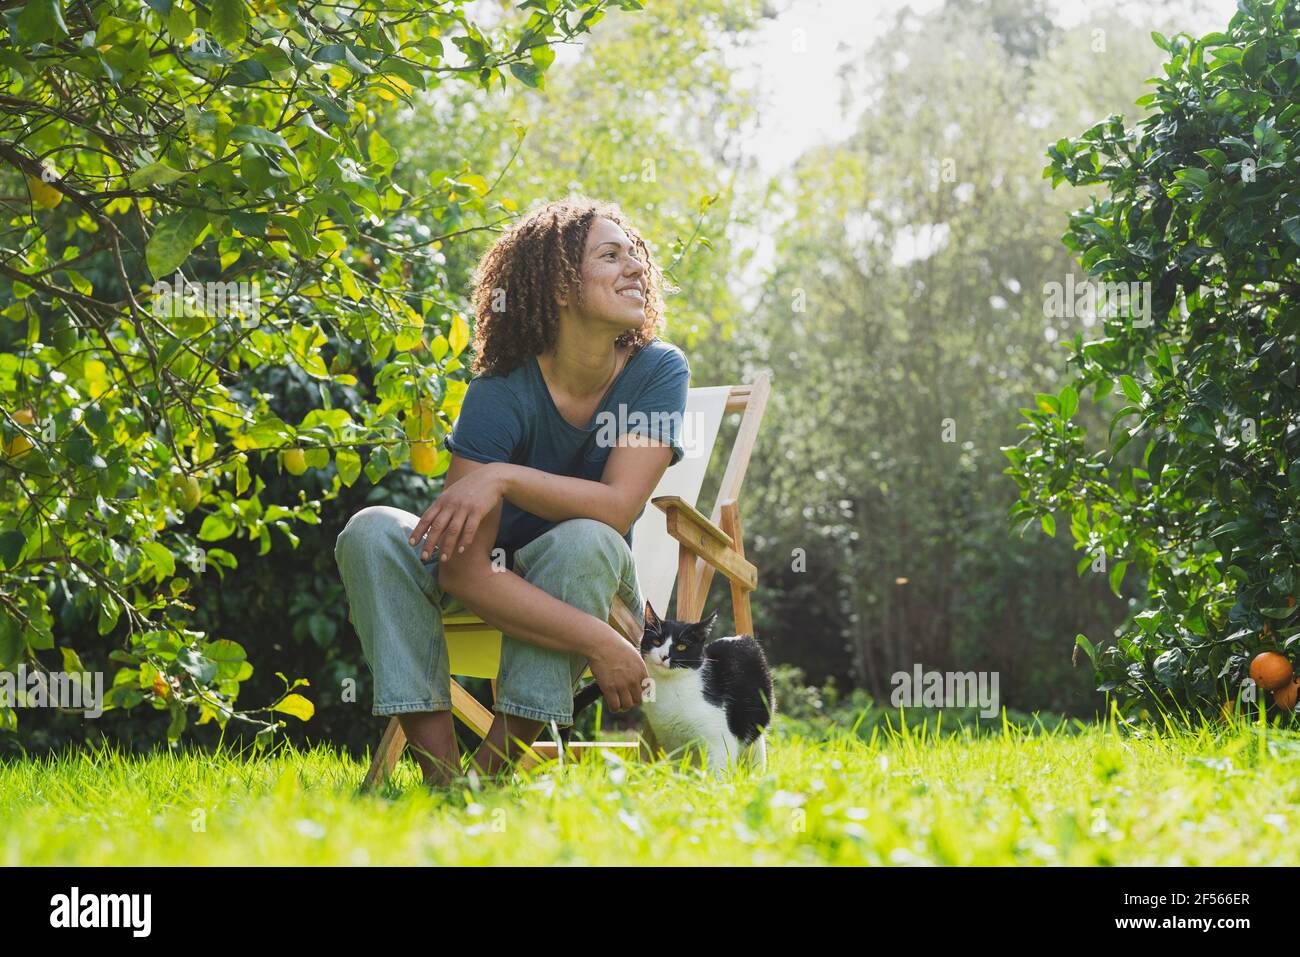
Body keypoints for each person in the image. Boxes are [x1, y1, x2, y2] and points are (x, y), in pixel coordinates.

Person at [334, 197, 691, 785]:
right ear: (558, 286)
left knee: (584, 539)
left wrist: (500, 477)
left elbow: (617, 507)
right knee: (373, 530)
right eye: (610, 256)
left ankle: (492, 779)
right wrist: (599, 644)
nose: (636, 269)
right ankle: (446, 783)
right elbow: (463, 571)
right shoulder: (500, 388)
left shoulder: (657, 370)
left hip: (591, 576)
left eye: (637, 257)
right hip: (493, 582)